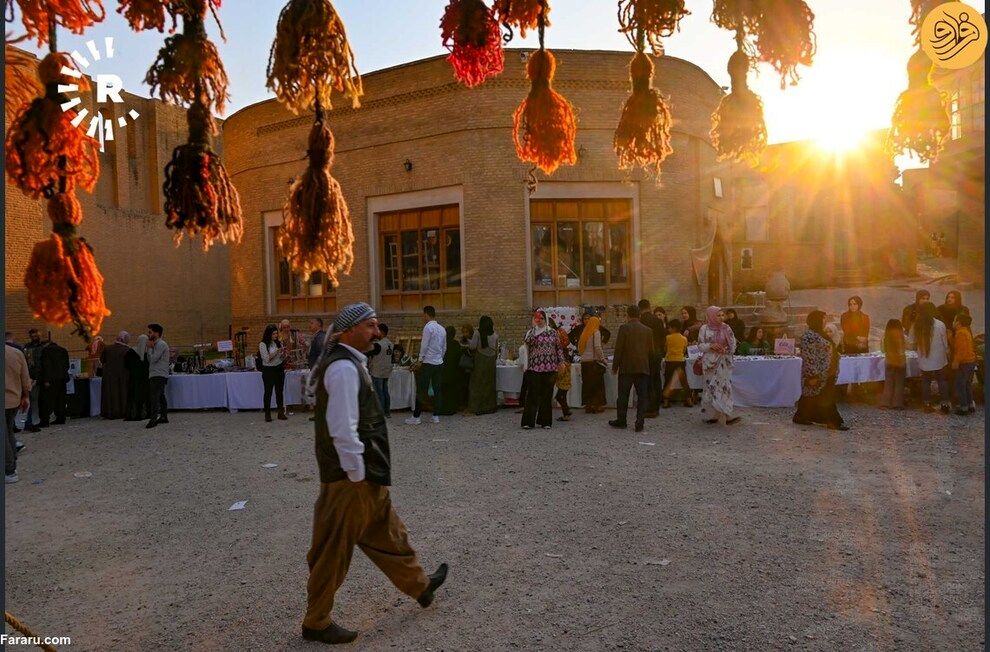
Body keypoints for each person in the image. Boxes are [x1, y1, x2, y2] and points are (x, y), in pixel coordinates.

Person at [303, 302, 447, 645]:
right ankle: (316, 620)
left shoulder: (350, 362)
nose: (376, 332)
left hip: (367, 475)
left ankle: (420, 587)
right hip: (351, 479)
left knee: (388, 533)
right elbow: (342, 428)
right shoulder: (342, 368)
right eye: (370, 326)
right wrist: (356, 475)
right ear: (350, 330)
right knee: (331, 551)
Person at [793, 311, 848, 430]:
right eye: (823, 319)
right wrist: (813, 375)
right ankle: (833, 422)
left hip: (828, 371)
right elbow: (809, 356)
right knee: (826, 397)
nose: (824, 321)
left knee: (810, 396)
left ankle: (800, 416)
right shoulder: (809, 336)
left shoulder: (820, 334)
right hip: (818, 373)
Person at [609, 305, 654, 432]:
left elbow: (619, 349)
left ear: (627, 315)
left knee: (623, 396)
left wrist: (615, 366)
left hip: (626, 368)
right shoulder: (648, 330)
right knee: (642, 396)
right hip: (643, 368)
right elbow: (651, 352)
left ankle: (621, 420)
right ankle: (640, 421)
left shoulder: (624, 328)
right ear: (639, 315)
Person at [521, 310, 564, 430]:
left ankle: (545, 421)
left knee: (546, 395)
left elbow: (559, 348)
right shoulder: (531, 332)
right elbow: (527, 342)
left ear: (546, 319)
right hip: (534, 367)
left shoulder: (552, 332)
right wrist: (534, 330)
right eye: (537, 318)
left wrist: (561, 362)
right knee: (532, 394)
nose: (539, 321)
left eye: (541, 318)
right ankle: (528, 422)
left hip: (550, 368)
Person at [697, 306, 740, 425]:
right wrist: (710, 346)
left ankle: (728, 415)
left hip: (723, 361)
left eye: (722, 315)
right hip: (710, 363)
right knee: (710, 388)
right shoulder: (704, 329)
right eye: (718, 315)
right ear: (711, 316)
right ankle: (712, 415)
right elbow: (700, 345)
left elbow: (733, 343)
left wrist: (727, 349)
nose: (721, 318)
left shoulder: (727, 328)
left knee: (724, 387)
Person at [907, 303, 950, 413]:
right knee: (942, 381)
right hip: (939, 358)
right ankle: (944, 404)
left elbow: (911, 342)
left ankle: (927, 404)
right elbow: (945, 343)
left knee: (926, 381)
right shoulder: (940, 324)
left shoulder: (916, 325)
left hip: (924, 358)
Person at [406, 306, 446, 425]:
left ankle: (416, 417)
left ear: (426, 314)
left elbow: (424, 345)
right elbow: (444, 347)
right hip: (439, 362)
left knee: (421, 390)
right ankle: (436, 416)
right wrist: (440, 358)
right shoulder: (442, 329)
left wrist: (420, 360)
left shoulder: (428, 328)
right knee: (437, 389)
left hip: (428, 362)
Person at [5, 343, 32, 483]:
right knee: (8, 431)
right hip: (14, 400)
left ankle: (9, 471)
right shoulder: (16, 352)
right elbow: (25, 378)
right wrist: (25, 396)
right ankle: (12, 463)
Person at [638, 299, 665, 417]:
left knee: (648, 381)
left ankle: (649, 408)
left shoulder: (640, 321)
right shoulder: (658, 321)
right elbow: (663, 337)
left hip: (645, 354)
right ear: (649, 307)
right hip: (657, 353)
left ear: (640, 309)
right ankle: (656, 406)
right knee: (656, 379)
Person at [466, 316, 498, 415]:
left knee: (477, 384)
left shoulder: (477, 333)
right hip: (491, 361)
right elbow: (496, 348)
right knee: (489, 383)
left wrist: (467, 340)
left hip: (480, 360)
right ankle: (490, 407)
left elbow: (472, 346)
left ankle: (476, 407)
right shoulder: (495, 335)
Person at [578, 312, 607, 414]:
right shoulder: (595, 332)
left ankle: (588, 405)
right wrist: (603, 359)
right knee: (597, 385)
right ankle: (596, 406)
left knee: (587, 385)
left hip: (584, 363)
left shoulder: (584, 333)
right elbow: (598, 347)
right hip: (593, 362)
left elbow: (580, 348)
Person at [259, 324, 287, 423]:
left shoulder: (278, 342)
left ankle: (280, 412)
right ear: (269, 334)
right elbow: (266, 359)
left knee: (279, 391)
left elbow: (281, 358)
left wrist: (283, 354)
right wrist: (276, 351)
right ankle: (267, 413)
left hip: (279, 368)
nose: (275, 335)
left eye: (276, 333)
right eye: (273, 333)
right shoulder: (263, 344)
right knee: (268, 392)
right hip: (268, 370)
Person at [38, 338, 69, 427]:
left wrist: (46, 380)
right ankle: (61, 418)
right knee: (61, 399)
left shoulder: (46, 351)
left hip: (51, 380)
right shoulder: (63, 350)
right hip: (62, 378)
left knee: (46, 400)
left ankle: (45, 421)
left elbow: (46, 366)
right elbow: (67, 365)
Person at [662, 319, 693, 408]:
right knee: (684, 381)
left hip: (670, 361)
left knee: (668, 380)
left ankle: (665, 402)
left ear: (674, 328)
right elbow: (684, 350)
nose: (668, 329)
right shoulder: (684, 338)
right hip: (680, 361)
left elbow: (665, 349)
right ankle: (689, 401)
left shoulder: (668, 337)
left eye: (669, 328)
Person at [100, 331, 131, 419]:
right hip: (123, 376)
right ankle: (122, 412)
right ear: (124, 340)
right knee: (122, 394)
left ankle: (109, 412)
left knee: (110, 395)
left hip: (109, 377)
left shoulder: (107, 349)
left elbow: (102, 360)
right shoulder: (127, 350)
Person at [950, 313, 977, 415]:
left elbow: (961, 350)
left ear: (958, 323)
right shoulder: (966, 331)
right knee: (967, 384)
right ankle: (970, 405)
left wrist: (956, 361)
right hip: (971, 361)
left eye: (954, 320)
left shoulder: (960, 333)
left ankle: (963, 407)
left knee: (960, 384)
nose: (953, 322)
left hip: (964, 363)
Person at [145, 324, 170, 428]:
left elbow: (152, 359)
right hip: (157, 373)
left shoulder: (160, 344)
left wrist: (150, 348)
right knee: (160, 396)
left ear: (157, 333)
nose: (149, 334)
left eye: (150, 332)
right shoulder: (156, 344)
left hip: (158, 374)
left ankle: (153, 419)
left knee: (154, 396)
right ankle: (164, 416)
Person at [435, 326, 464, 416]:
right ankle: (450, 409)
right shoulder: (455, 344)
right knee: (451, 391)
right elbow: (459, 357)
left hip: (441, 370)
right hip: (453, 371)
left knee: (442, 390)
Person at [367, 323, 393, 418]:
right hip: (386, 371)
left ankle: (380, 413)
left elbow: (367, 353)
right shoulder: (390, 344)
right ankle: (387, 412)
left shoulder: (378, 345)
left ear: (381, 332)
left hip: (377, 371)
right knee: (385, 391)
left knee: (379, 393)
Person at [880, 319, 907, 409]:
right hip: (900, 361)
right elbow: (904, 348)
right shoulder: (901, 335)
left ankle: (885, 403)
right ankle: (897, 404)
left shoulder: (886, 335)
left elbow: (883, 349)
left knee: (888, 382)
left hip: (889, 360)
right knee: (899, 382)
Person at [22, 329, 44, 432]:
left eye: (36, 336)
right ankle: (30, 422)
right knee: (31, 400)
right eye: (33, 336)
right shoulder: (27, 347)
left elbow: (43, 365)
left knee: (36, 401)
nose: (34, 338)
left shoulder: (43, 347)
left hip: (39, 378)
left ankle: (33, 421)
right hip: (29, 377)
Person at [125, 334, 150, 421]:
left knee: (134, 395)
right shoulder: (148, 353)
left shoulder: (131, 352)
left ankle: (133, 414)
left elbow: (126, 364)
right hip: (145, 379)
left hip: (134, 378)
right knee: (144, 396)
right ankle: (144, 413)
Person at [553, 322, 573, 422]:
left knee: (560, 396)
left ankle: (567, 412)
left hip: (563, 374)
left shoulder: (555, 335)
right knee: (561, 396)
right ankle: (567, 412)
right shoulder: (564, 350)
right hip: (565, 373)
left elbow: (562, 369)